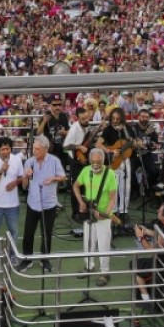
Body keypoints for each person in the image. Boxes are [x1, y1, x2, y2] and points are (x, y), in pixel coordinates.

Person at [18, 136, 66, 273]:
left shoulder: (54, 161)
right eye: (33, 148)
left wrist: (54, 178)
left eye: (37, 149)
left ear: (46, 149)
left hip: (49, 205)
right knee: (28, 233)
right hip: (32, 204)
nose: (34, 151)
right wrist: (25, 177)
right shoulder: (29, 162)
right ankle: (27, 260)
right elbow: (24, 186)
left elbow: (63, 177)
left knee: (47, 234)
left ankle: (45, 260)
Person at [72, 148, 118, 286]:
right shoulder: (86, 171)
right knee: (88, 242)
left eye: (99, 161)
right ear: (90, 161)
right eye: (94, 161)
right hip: (89, 213)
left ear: (103, 161)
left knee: (103, 245)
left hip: (103, 215)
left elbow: (112, 197)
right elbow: (75, 186)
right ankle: (89, 266)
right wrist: (81, 202)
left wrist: (106, 214)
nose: (96, 164)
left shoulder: (110, 174)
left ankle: (105, 272)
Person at [0, 137, 23, 267]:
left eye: (8, 148)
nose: (6, 152)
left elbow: (21, 177)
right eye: (3, 149)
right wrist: (1, 170)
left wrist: (15, 183)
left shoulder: (17, 159)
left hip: (13, 204)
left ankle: (13, 255)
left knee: (14, 232)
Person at [95, 107, 133, 225]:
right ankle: (115, 210)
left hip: (125, 161)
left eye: (117, 118)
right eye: (113, 118)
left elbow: (132, 141)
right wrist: (110, 151)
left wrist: (135, 141)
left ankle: (124, 211)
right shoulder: (108, 129)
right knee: (115, 187)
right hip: (114, 161)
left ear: (122, 118)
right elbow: (98, 144)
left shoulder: (127, 129)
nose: (115, 121)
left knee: (126, 187)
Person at [130, 108, 161, 195]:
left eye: (147, 117)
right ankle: (135, 190)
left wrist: (155, 146)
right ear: (138, 117)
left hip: (147, 155)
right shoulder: (133, 129)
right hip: (134, 155)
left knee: (154, 172)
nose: (145, 119)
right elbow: (129, 143)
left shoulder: (151, 129)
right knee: (129, 172)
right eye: (143, 117)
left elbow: (156, 143)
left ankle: (149, 190)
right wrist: (136, 144)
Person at [38, 95, 70, 172]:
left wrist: (64, 132)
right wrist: (44, 121)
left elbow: (69, 131)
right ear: (50, 105)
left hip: (62, 149)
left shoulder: (63, 116)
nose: (57, 107)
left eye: (59, 104)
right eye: (55, 105)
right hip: (50, 150)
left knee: (62, 171)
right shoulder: (46, 116)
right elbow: (38, 132)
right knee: (51, 171)